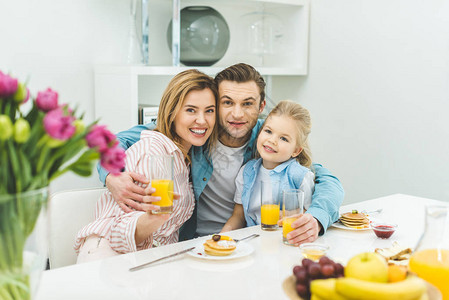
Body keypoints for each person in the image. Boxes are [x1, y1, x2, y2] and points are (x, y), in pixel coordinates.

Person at [98, 63, 344, 246]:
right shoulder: (197, 131)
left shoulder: (268, 139)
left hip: (247, 240)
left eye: (247, 104)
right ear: (216, 102)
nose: (237, 114)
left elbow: (324, 178)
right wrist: (111, 176)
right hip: (191, 241)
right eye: (227, 103)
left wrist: (316, 218)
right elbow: (115, 141)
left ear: (260, 108)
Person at [74, 69, 218, 262]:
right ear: (172, 112)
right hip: (109, 257)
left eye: (209, 110)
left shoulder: (185, 155)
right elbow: (118, 231)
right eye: (190, 110)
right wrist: (154, 219)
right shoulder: (154, 151)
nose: (202, 120)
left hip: (150, 257)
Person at [221, 100, 315, 232]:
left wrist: (290, 216)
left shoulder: (300, 176)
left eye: (284, 139)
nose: (272, 140)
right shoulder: (247, 172)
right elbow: (238, 215)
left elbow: (310, 214)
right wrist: (222, 237)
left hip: (286, 241)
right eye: (268, 131)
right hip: (253, 242)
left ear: (296, 151)